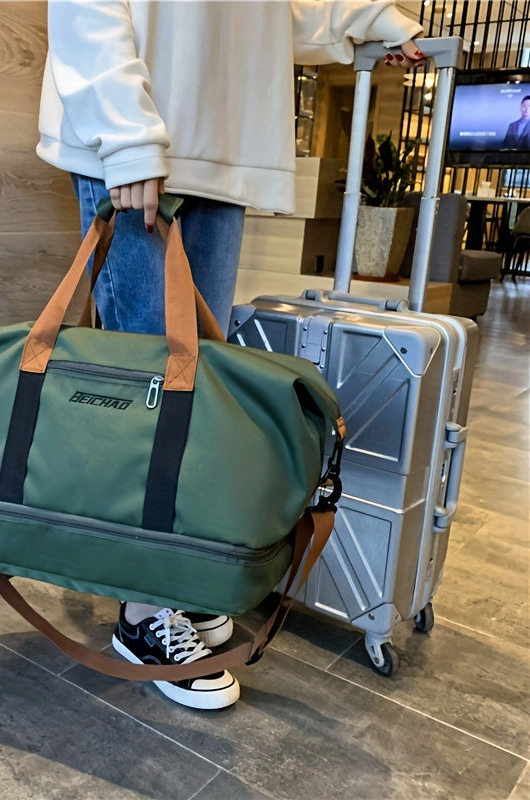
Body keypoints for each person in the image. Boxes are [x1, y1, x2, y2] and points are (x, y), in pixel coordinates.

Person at [37, 0, 425, 710]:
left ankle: (174, 577)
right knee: (149, 395)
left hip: (221, 140)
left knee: (192, 392)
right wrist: (126, 136)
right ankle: (142, 610)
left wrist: (370, 18)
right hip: (140, 133)